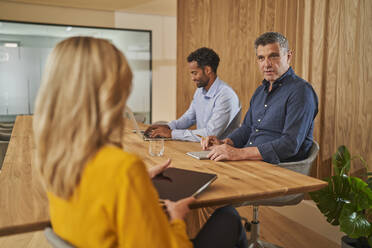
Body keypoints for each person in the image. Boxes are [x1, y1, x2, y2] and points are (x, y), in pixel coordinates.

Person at [33, 37, 247, 248]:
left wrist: (138, 179)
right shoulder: (123, 170)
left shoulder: (55, 158)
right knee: (228, 216)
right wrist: (177, 220)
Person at [201, 32, 318, 164]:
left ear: (288, 57)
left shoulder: (301, 92)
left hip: (279, 169)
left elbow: (289, 145)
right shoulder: (260, 91)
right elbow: (246, 128)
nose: (266, 64)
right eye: (261, 58)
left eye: (273, 56)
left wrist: (239, 153)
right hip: (249, 162)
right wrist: (224, 143)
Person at [146, 47, 241, 142]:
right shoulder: (200, 91)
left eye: (194, 73)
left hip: (221, 152)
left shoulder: (226, 95)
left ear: (208, 70)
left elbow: (210, 134)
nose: (192, 78)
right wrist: (168, 127)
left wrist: (171, 133)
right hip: (204, 148)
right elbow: (189, 118)